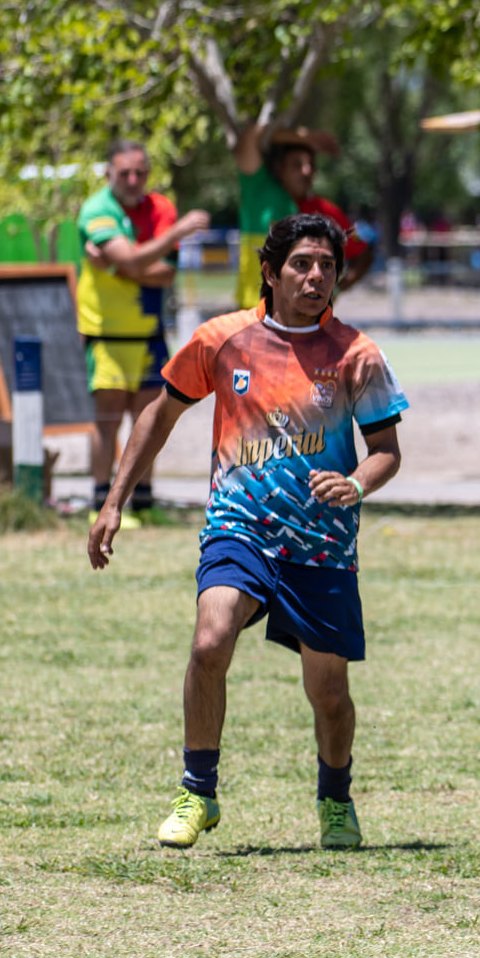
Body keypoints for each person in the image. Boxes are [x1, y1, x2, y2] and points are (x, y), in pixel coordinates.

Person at [88, 213, 409, 851]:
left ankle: (336, 797)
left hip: (321, 544)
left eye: (327, 267)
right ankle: (197, 792)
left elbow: (386, 450)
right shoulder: (223, 339)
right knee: (210, 642)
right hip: (239, 528)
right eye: (301, 264)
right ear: (270, 270)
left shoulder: (357, 354)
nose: (315, 276)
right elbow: (161, 412)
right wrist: (114, 499)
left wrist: (357, 483)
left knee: (330, 692)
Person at [76, 139, 209, 519]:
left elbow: (164, 272)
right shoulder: (96, 209)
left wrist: (121, 266)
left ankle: (145, 503)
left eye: (140, 172)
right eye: (124, 173)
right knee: (108, 423)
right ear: (109, 174)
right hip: (106, 334)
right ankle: (100, 503)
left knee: (150, 422)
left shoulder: (161, 208)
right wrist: (174, 234)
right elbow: (135, 259)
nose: (133, 180)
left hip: (150, 334)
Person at [234, 123, 373, 309]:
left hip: (303, 324)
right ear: (278, 167)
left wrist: (336, 289)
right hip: (253, 314)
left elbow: (363, 255)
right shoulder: (258, 192)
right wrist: (306, 137)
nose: (307, 171)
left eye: (311, 165)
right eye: (297, 164)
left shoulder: (325, 212)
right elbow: (251, 134)